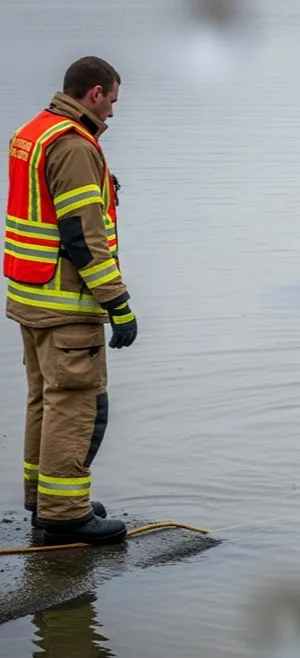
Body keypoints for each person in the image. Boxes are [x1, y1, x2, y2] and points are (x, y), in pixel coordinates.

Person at [4, 56, 136, 545]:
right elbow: (83, 236)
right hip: (65, 304)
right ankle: (64, 512)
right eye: (113, 102)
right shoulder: (74, 147)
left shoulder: (33, 132)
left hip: (29, 294)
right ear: (95, 92)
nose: (114, 114)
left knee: (45, 399)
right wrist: (118, 303)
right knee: (77, 403)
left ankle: (44, 498)